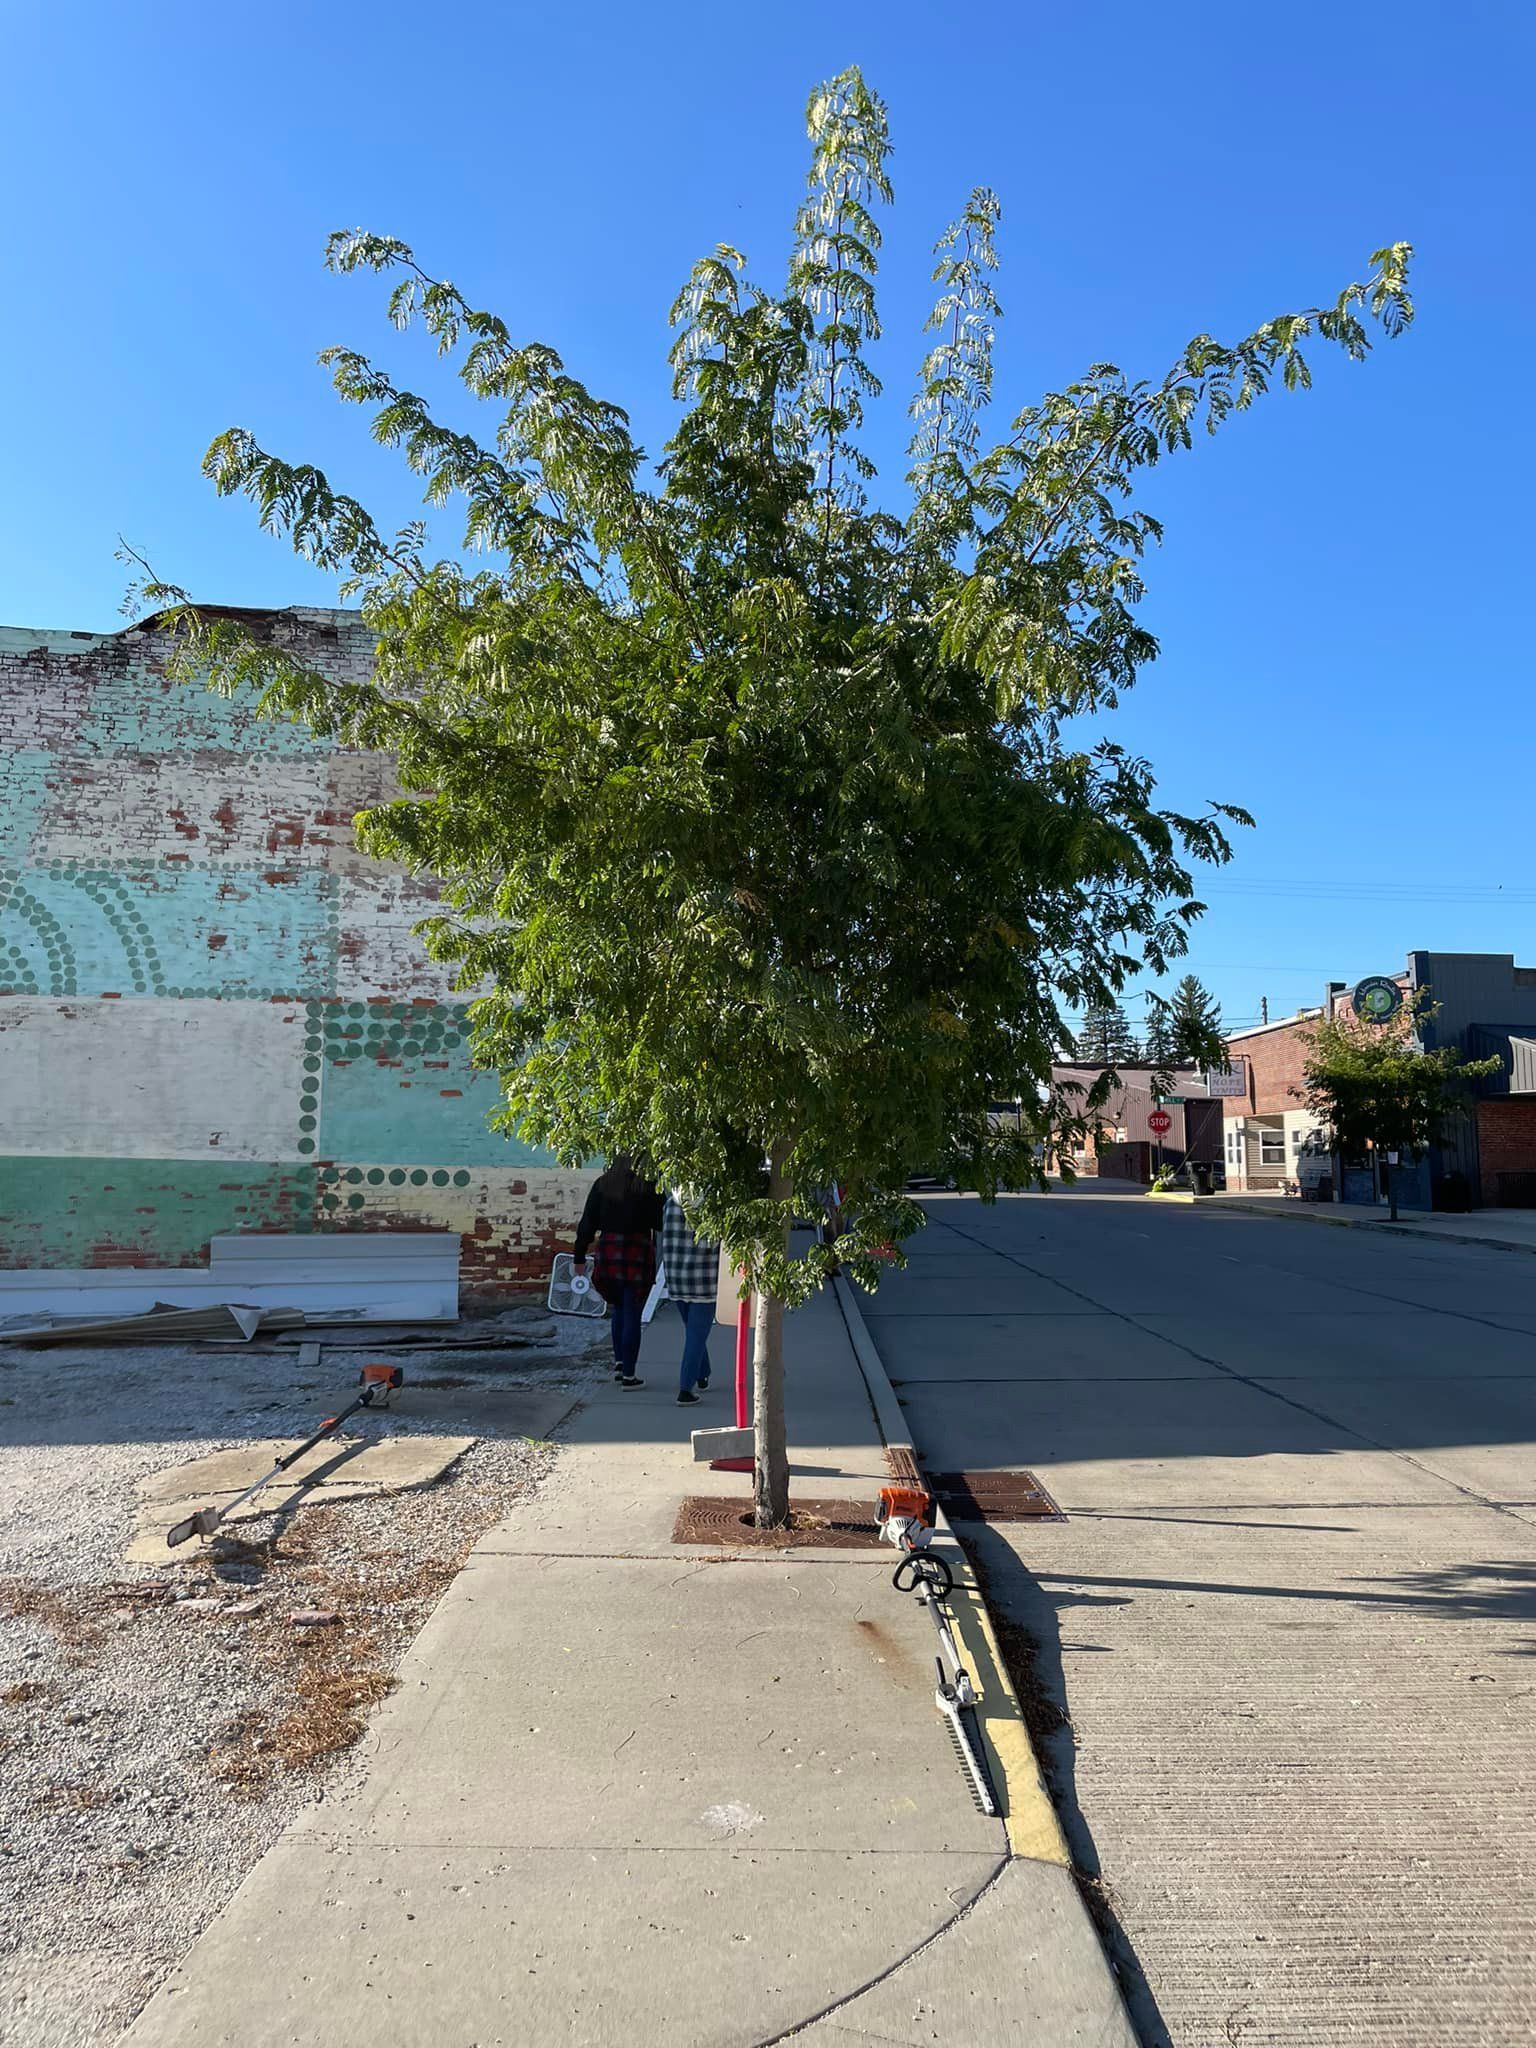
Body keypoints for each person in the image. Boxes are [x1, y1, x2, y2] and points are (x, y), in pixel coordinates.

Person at [573, 1155, 663, 1389]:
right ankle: (630, 1375)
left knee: (619, 1308)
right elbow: (660, 1221)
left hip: (609, 1249)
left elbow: (587, 1222)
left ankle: (620, 1364)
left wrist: (579, 1257)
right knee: (633, 1309)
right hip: (637, 1250)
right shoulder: (646, 1185)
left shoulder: (603, 1184)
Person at [660, 1192, 721, 1406]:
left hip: (677, 1276)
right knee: (696, 1334)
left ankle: (703, 1372)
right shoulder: (714, 1203)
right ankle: (685, 1389)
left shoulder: (671, 1203)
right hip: (705, 1278)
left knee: (693, 1330)